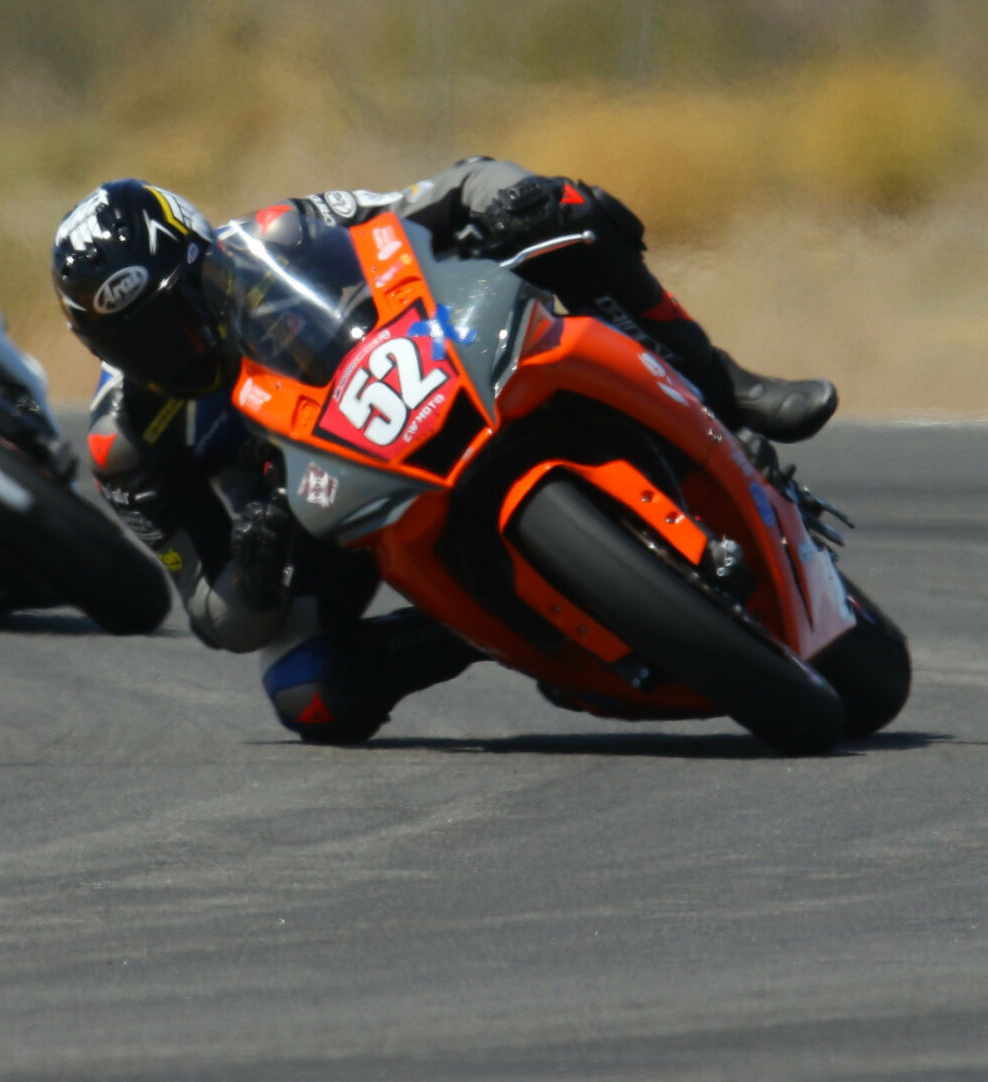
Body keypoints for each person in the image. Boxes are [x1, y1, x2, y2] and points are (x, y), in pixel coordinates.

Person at [51, 159, 840, 743]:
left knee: (564, 211)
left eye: (180, 310)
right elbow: (217, 619)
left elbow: (443, 194)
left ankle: (717, 383)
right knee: (307, 693)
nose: (178, 346)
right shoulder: (124, 446)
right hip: (323, 507)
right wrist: (255, 565)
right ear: (100, 344)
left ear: (204, 260)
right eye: (141, 342)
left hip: (429, 369)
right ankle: (490, 630)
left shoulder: (282, 234)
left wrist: (507, 194)